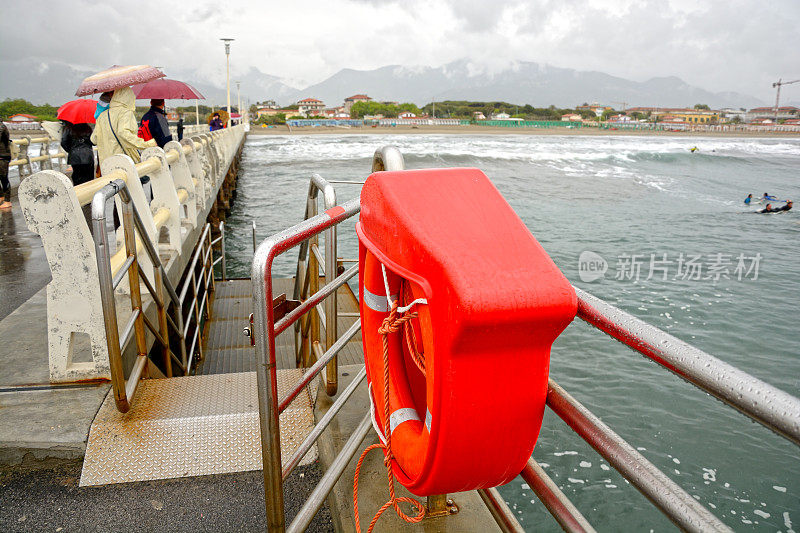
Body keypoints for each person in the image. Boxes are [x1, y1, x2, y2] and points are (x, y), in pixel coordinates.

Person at [91, 87, 157, 200]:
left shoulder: (102, 115)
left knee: (117, 198)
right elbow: (124, 135)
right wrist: (148, 144)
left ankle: (120, 218)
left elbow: (94, 139)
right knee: (132, 198)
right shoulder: (126, 112)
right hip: (123, 161)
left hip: (107, 164)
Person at [60, 121, 95, 186]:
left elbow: (63, 142)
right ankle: (89, 194)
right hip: (88, 156)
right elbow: (93, 142)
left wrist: (71, 150)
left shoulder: (69, 128)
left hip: (75, 157)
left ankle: (79, 194)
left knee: (77, 177)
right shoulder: (88, 129)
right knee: (89, 178)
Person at [0, 120, 11, 210]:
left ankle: (7, 201)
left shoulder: (1, 126)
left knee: (4, 178)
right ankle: (1, 197)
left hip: (3, 156)